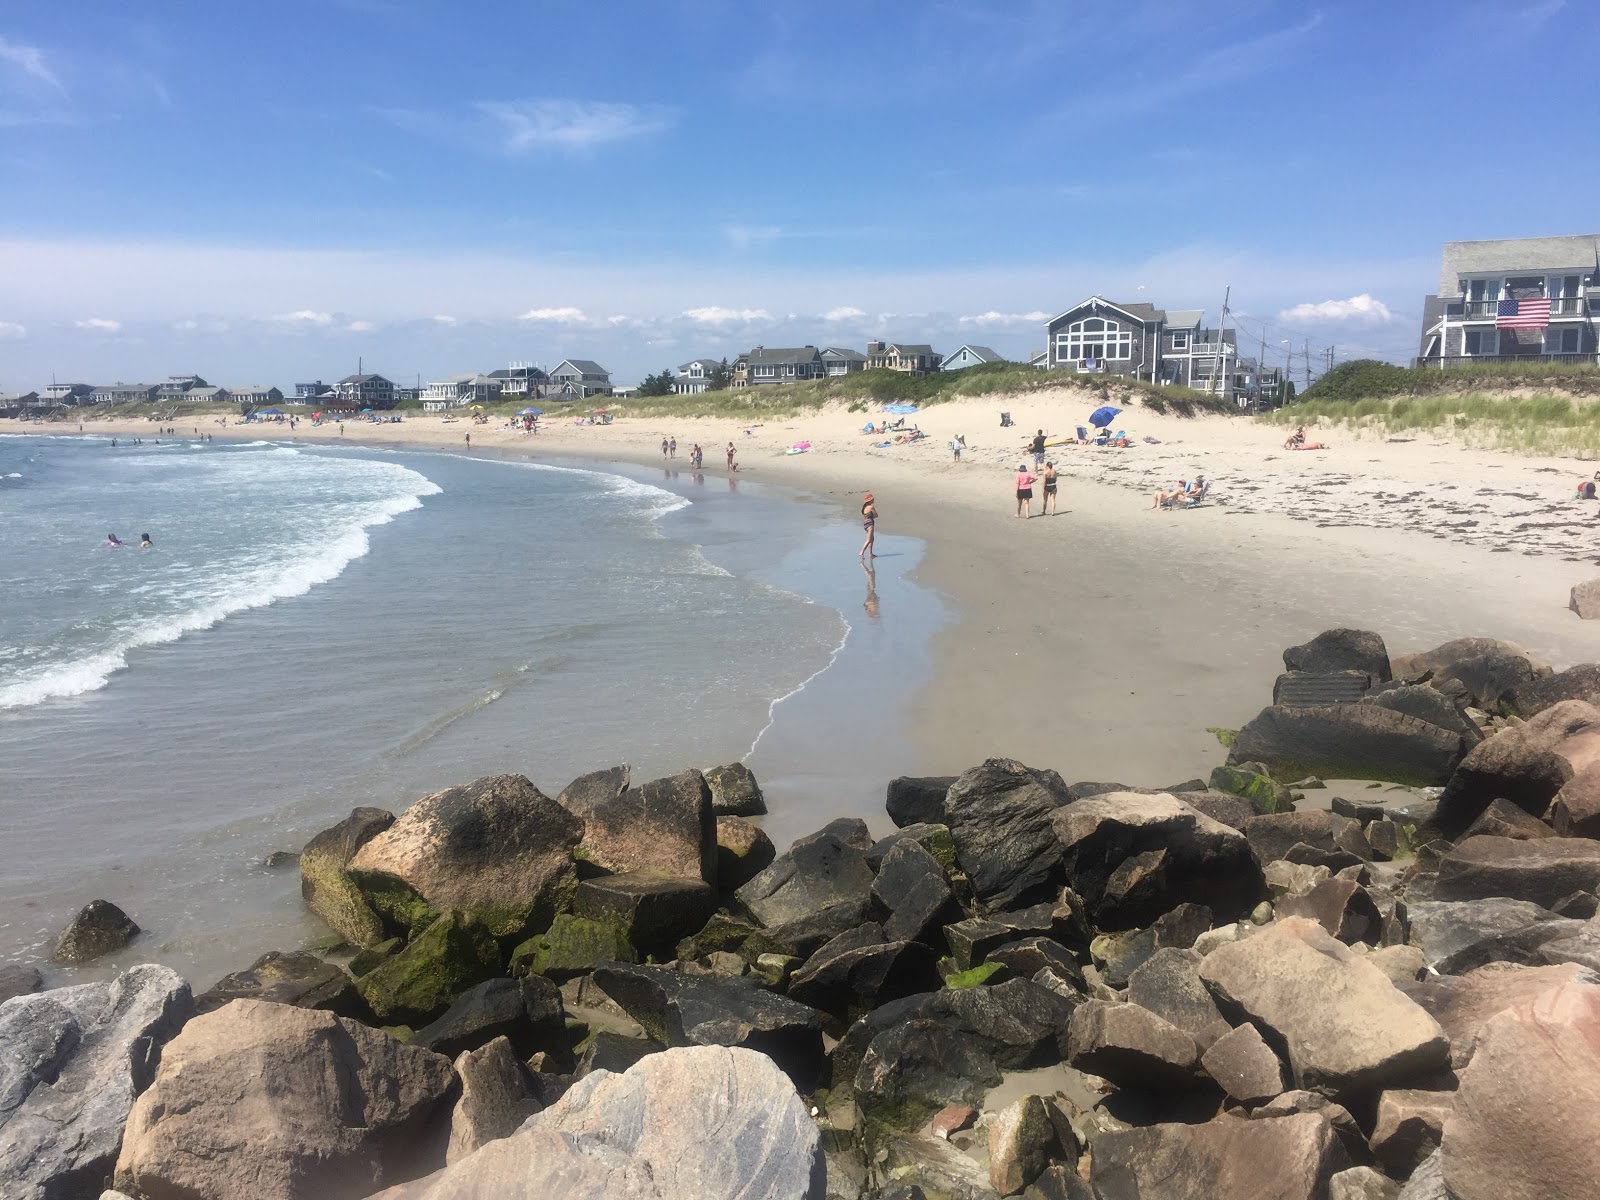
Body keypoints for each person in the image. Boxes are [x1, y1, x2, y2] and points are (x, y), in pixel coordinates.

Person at [860, 492, 878, 558]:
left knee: (872, 539)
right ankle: (861, 552)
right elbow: (876, 515)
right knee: (869, 540)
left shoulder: (864, 508)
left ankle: (870, 554)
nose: (873, 500)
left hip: (865, 524)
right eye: (873, 499)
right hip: (870, 524)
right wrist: (873, 516)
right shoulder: (871, 507)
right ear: (870, 500)